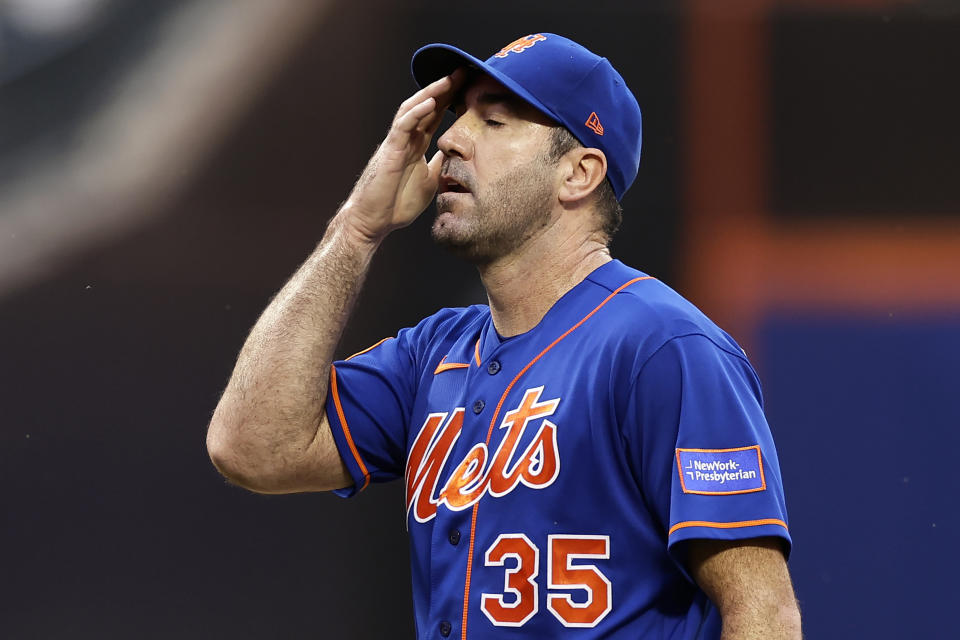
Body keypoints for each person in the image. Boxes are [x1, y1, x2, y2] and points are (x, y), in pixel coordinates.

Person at [206, 33, 802, 639]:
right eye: (460, 115)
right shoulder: (433, 353)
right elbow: (253, 448)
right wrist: (357, 229)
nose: (448, 139)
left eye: (492, 120)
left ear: (577, 173)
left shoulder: (662, 349)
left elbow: (764, 613)